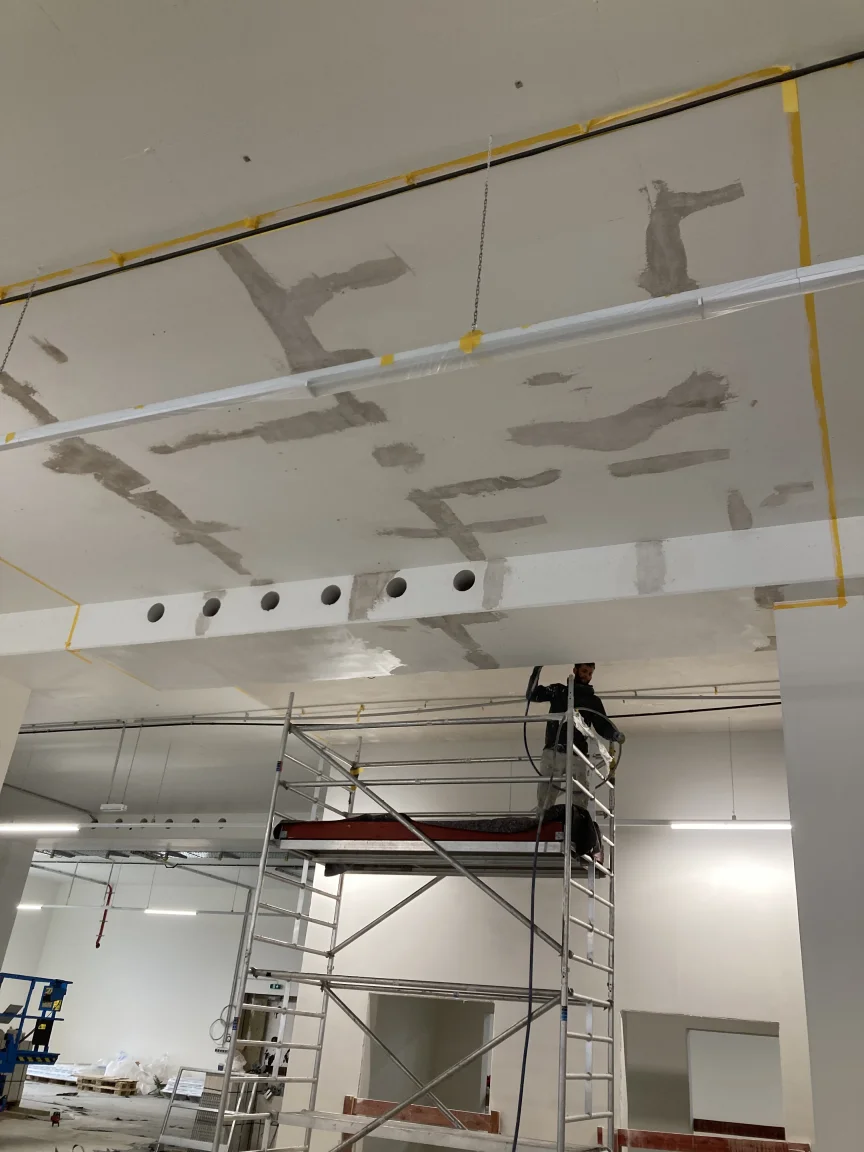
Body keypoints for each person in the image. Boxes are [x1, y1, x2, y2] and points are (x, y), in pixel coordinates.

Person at [529, 662, 624, 812]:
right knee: (545, 796)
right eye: (584, 671)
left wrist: (614, 734)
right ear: (575, 670)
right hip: (554, 750)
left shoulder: (593, 701)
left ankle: (578, 823)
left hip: (578, 754)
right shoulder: (558, 691)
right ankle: (544, 822)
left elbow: (602, 725)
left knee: (580, 797)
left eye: (590, 673)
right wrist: (536, 671)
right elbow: (532, 695)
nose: (587, 676)